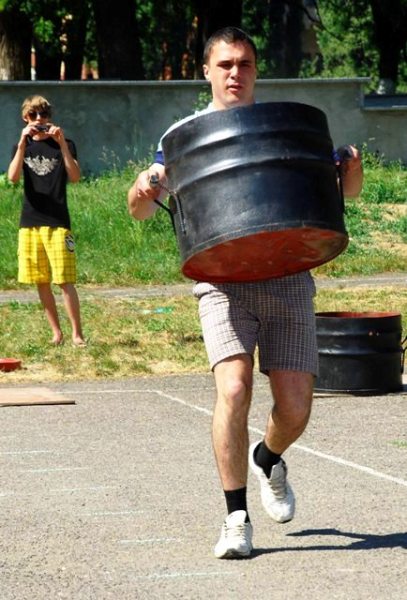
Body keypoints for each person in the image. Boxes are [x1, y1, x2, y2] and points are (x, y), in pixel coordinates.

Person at [128, 27, 363, 559]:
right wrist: (144, 188)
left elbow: (344, 190)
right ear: (207, 71)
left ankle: (267, 457)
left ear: (256, 71)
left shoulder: (280, 126)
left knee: (297, 408)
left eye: (246, 64)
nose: (236, 73)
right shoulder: (181, 136)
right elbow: (140, 207)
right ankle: (236, 518)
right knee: (233, 390)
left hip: (286, 273)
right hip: (221, 278)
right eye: (226, 64)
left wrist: (351, 166)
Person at [8, 95, 86, 347]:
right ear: (25, 118)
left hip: (57, 221)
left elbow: (74, 177)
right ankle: (56, 333)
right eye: (34, 116)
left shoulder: (64, 144)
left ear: (50, 117)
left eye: (44, 115)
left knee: (64, 280)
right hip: (29, 222)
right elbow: (12, 177)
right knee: (40, 280)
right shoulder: (23, 146)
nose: (40, 120)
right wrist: (22, 142)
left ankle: (77, 334)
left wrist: (62, 144)